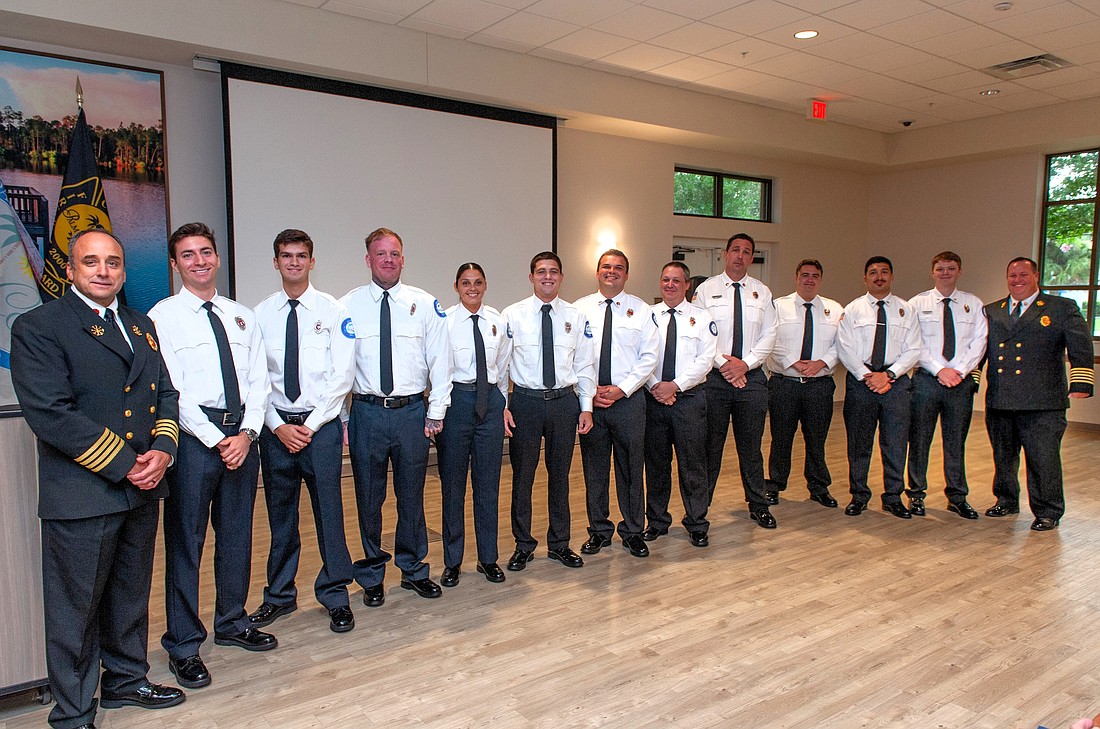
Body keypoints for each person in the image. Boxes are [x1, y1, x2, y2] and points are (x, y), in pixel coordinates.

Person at [11, 229, 185, 729]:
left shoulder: (140, 324)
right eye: (91, 262)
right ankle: (72, 710)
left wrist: (163, 450)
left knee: (129, 597)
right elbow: (51, 413)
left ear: (123, 271)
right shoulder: (40, 326)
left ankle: (126, 681)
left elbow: (165, 395)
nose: (103, 271)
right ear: (70, 269)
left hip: (142, 488)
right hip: (84, 492)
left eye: (112, 262)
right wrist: (126, 462)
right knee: (75, 612)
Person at [150, 222, 275, 690]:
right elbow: (170, 389)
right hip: (193, 441)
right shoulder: (162, 317)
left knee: (238, 537)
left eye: (206, 252)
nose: (199, 261)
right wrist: (213, 437)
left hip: (243, 436)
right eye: (188, 255)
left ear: (217, 258)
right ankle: (183, 644)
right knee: (186, 544)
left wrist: (245, 433)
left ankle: (232, 621)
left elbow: (260, 381)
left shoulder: (241, 315)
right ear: (176, 264)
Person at [248, 229, 357, 634]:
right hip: (276, 430)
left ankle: (336, 595)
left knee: (329, 513)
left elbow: (341, 377)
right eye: (285, 256)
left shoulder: (333, 311)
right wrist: (277, 426)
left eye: (301, 256)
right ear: (275, 262)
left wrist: (307, 428)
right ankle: (279, 595)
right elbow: (255, 380)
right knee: (281, 517)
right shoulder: (258, 316)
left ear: (312, 262)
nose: (293, 262)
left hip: (320, 428)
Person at [341, 227, 452, 605]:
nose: (388, 259)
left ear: (403, 259)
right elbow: (338, 369)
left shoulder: (425, 305)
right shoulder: (348, 306)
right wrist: (342, 417)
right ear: (368, 259)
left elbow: (441, 362)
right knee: (368, 499)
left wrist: (436, 412)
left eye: (394, 253)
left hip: (411, 415)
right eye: (380, 253)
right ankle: (371, 574)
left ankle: (413, 569)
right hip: (367, 414)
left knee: (412, 497)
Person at [983, 257, 1093, 531]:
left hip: (1043, 401)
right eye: (1012, 275)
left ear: (1036, 276)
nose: (1017, 279)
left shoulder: (1060, 308)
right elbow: (979, 350)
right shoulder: (992, 310)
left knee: (1043, 458)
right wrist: (971, 381)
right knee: (1003, 456)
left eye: (1023, 274)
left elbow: (1080, 345)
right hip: (1001, 398)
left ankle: (1048, 510)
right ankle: (1006, 500)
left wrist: (1080, 383)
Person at [501, 251, 595, 571]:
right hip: (525, 403)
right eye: (541, 272)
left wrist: (586, 407)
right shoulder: (512, 315)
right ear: (531, 277)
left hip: (564, 404)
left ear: (561, 277)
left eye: (553, 271)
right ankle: (523, 544)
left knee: (560, 477)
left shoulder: (575, 315)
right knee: (523, 478)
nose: (547, 277)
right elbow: (500, 367)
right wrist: (503, 406)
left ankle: (559, 543)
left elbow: (584, 366)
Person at [576, 249, 659, 559]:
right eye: (606, 267)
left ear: (627, 274)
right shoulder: (579, 309)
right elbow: (571, 356)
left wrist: (621, 390)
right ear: (597, 272)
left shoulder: (641, 310)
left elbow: (649, 357)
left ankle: (633, 531)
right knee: (594, 471)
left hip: (629, 403)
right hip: (591, 402)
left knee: (630, 469)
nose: (612, 271)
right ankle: (598, 531)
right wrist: (587, 392)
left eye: (618, 268)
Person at [692, 232, 778, 528]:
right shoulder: (706, 290)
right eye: (735, 250)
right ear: (725, 254)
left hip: (752, 379)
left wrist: (746, 365)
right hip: (715, 380)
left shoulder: (762, 293)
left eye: (746, 251)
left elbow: (770, 335)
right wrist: (725, 366)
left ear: (751, 258)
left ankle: (758, 503)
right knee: (710, 448)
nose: (740, 256)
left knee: (750, 447)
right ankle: (699, 509)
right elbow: (701, 335)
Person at [435, 263, 512, 585]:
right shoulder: (445, 323)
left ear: (485, 285)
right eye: (466, 283)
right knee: (453, 486)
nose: (472, 288)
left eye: (478, 282)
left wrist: (504, 404)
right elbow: (437, 369)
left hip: (490, 405)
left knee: (487, 485)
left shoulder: (498, 321)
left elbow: (504, 366)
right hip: (457, 403)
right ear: (456, 286)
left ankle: (488, 558)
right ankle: (453, 562)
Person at [836, 255, 922, 518]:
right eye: (873, 272)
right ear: (865, 278)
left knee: (895, 443)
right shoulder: (852, 310)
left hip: (895, 384)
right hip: (862, 383)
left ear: (892, 276)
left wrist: (890, 375)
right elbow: (845, 348)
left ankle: (893, 496)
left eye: (884, 272)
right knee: (859, 443)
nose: (879, 277)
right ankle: (859, 495)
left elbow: (914, 349)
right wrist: (867, 375)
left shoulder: (906, 310)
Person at [906, 251, 987, 519]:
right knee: (919, 440)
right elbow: (912, 343)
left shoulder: (972, 304)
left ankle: (957, 496)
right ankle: (916, 495)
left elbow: (979, 342)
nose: (945, 273)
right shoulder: (917, 303)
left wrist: (959, 371)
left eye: (951, 268)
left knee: (956, 442)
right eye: (940, 268)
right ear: (932, 272)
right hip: (926, 381)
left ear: (959, 272)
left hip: (960, 384)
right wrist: (940, 370)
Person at [643, 261, 717, 547]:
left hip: (689, 400)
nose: (670, 285)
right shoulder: (647, 316)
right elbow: (640, 357)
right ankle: (658, 521)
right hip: (654, 400)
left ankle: (697, 523)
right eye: (665, 280)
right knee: (657, 464)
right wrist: (656, 387)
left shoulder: (701, 318)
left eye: (676, 280)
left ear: (687, 285)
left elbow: (705, 361)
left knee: (693, 465)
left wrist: (674, 386)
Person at [764, 259, 843, 508]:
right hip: (784, 383)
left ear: (821, 279)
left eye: (815, 276)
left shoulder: (835, 309)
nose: (809, 279)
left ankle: (819, 487)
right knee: (781, 438)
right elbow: (770, 340)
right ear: (796, 277)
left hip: (819, 385)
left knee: (817, 439)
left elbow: (842, 345)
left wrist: (820, 363)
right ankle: (775, 485)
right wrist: (793, 363)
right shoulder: (778, 306)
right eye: (805, 275)